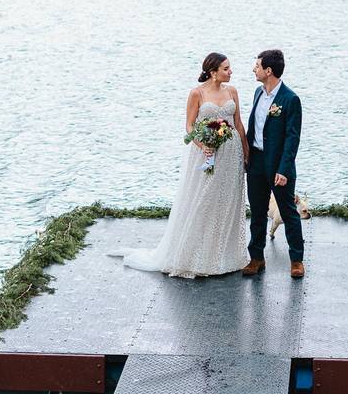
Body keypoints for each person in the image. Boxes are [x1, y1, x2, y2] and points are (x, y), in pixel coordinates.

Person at [109, 53, 249, 278]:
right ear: (213, 72)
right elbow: (189, 125)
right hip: (207, 153)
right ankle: (195, 256)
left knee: (227, 202)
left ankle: (224, 255)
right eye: (226, 68)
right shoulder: (197, 93)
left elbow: (239, 124)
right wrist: (203, 145)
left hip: (232, 154)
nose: (230, 72)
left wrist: (246, 152)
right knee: (203, 201)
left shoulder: (232, 91)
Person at [242, 49, 305, 278]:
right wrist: (246, 155)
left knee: (288, 213)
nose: (253, 69)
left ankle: (296, 260)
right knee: (257, 211)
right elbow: (253, 129)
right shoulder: (258, 94)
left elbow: (292, 137)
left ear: (269, 71)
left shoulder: (290, 99)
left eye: (257, 65)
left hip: (278, 164)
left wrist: (284, 169)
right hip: (256, 161)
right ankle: (256, 258)